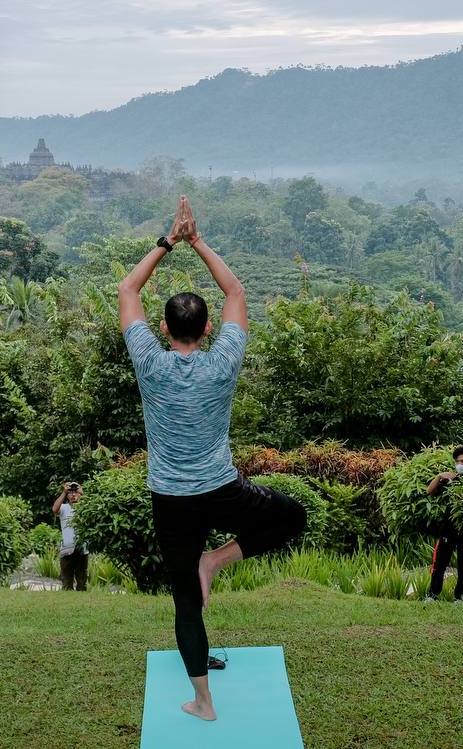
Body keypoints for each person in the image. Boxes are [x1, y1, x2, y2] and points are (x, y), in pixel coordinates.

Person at [120, 195, 306, 722]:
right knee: (293, 517)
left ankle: (203, 702)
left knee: (186, 600)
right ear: (207, 331)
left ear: (162, 329)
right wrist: (197, 241)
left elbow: (128, 289)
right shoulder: (223, 359)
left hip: (170, 499)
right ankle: (217, 560)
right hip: (222, 491)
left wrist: (168, 241)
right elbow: (236, 292)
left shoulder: (149, 363)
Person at [425, 445, 463, 601]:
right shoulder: (450, 480)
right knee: (439, 564)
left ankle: (460, 598)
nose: (460, 464)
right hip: (447, 529)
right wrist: (439, 476)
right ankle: (432, 595)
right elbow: (429, 491)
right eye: (457, 461)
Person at [52, 481, 88, 591]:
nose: (73, 495)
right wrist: (64, 492)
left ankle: (82, 599)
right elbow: (54, 509)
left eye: (75, 492)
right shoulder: (63, 508)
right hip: (66, 548)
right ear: (67, 495)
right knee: (66, 581)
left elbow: (94, 507)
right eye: (70, 492)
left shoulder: (86, 508)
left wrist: (83, 493)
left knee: (82, 581)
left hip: (82, 547)